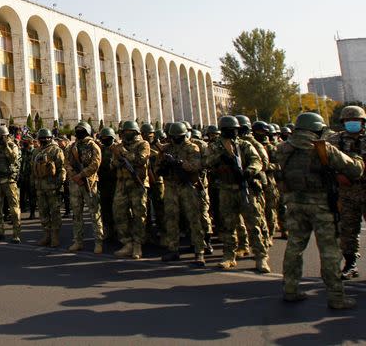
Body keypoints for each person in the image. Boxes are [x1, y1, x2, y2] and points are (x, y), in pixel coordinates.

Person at [276, 112, 363, 309]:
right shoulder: (322, 148)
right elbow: (354, 169)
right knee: (329, 251)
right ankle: (336, 297)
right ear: (316, 128)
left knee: (294, 247)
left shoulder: (282, 148)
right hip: (321, 205)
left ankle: (290, 290)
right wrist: (357, 158)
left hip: (294, 203)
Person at [206, 116, 270, 273]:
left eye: (235, 130)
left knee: (253, 224)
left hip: (244, 187)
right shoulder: (215, 147)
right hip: (226, 189)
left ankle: (261, 257)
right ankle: (229, 255)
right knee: (228, 225)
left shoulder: (244, 145)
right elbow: (207, 162)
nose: (233, 132)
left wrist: (249, 171)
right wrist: (221, 159)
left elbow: (257, 161)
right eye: (230, 130)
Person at [158, 122, 206, 266]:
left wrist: (179, 163)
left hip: (187, 186)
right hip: (171, 186)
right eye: (173, 137)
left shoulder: (192, 148)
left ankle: (199, 251)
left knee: (193, 218)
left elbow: (195, 166)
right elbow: (158, 168)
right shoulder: (168, 148)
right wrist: (164, 166)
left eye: (177, 137)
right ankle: (173, 249)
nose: (175, 139)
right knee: (171, 218)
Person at [329, 105, 366, 279]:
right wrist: (337, 175)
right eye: (349, 120)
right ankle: (350, 264)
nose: (353, 123)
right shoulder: (334, 141)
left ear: (362, 121)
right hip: (346, 192)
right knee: (347, 230)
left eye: (356, 120)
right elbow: (324, 163)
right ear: (343, 122)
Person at [111, 121, 151, 260]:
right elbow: (113, 163)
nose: (124, 134)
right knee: (119, 213)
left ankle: (138, 244)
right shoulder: (119, 147)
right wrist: (119, 158)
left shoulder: (143, 144)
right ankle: (127, 243)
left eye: (127, 131)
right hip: (122, 184)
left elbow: (140, 160)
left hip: (137, 184)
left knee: (139, 214)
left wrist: (123, 154)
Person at [65, 121, 103, 253]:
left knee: (94, 213)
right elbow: (67, 162)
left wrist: (81, 175)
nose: (79, 133)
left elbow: (95, 164)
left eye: (82, 130)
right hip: (75, 184)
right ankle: (78, 241)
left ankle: (98, 241)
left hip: (89, 183)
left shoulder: (93, 146)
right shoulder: (72, 146)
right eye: (77, 130)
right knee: (76, 214)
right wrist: (73, 174)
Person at [32, 128, 66, 248]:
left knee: (55, 212)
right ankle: (46, 235)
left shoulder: (56, 150)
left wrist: (59, 184)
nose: (44, 140)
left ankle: (55, 236)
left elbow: (62, 169)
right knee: (43, 211)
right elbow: (33, 169)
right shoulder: (36, 152)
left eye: (46, 138)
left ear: (50, 138)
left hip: (52, 186)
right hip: (40, 187)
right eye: (42, 138)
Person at [0, 126, 22, 243]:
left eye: (1, 136)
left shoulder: (12, 146)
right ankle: (0, 232)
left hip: (9, 181)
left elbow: (13, 159)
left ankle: (16, 234)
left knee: (14, 208)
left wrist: (6, 146)